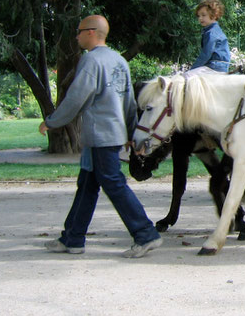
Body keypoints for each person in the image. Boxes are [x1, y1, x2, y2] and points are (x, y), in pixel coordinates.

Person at [39, 15, 162, 258]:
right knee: (87, 186)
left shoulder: (91, 60)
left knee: (113, 183)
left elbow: (76, 98)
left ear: (92, 32)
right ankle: (72, 239)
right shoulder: (119, 61)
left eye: (79, 31)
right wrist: (129, 131)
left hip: (99, 136)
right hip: (112, 134)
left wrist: (52, 122)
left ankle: (145, 233)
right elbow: (129, 102)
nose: (76, 36)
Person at [190, 0, 230, 72]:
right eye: (198, 16)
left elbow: (206, 54)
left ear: (214, 15)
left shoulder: (211, 33)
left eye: (203, 15)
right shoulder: (214, 30)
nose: (200, 18)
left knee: (188, 77)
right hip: (221, 65)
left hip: (215, 65)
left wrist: (193, 69)